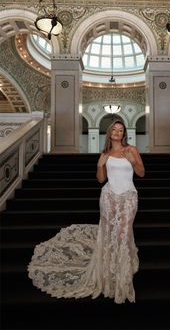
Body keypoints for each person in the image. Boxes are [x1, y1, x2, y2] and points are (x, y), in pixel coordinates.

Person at [28, 119, 145, 304]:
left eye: (120, 130)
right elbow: (100, 180)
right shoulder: (105, 153)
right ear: (110, 133)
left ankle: (121, 278)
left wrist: (133, 161)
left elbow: (141, 173)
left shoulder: (131, 150)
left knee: (123, 234)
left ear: (124, 134)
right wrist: (100, 165)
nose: (117, 132)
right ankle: (107, 276)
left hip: (129, 195)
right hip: (109, 196)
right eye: (114, 129)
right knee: (108, 234)